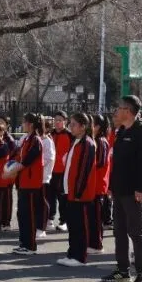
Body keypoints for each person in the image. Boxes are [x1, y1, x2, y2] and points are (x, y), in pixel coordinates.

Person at [102, 96, 142, 282]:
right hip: (119, 190)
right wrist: (111, 186)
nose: (116, 111)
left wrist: (141, 188)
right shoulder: (122, 131)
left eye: (120, 108)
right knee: (119, 231)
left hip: (133, 192)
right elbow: (117, 163)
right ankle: (123, 270)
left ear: (129, 111)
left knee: (137, 232)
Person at [57, 113, 97, 267]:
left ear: (83, 126)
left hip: (80, 194)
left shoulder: (88, 144)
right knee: (73, 225)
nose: (70, 127)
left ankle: (80, 257)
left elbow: (84, 171)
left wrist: (79, 191)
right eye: (71, 124)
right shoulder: (76, 141)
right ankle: (72, 253)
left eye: (73, 124)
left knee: (80, 226)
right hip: (71, 191)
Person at [3, 113, 45, 255]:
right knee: (22, 214)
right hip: (22, 183)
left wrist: (11, 172)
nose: (22, 124)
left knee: (30, 215)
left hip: (32, 184)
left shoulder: (36, 140)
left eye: (24, 122)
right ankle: (23, 243)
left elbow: (27, 161)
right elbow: (19, 158)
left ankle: (31, 246)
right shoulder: (26, 140)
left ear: (31, 124)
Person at [49, 112, 74, 232]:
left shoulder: (70, 135)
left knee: (63, 197)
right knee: (50, 196)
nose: (57, 122)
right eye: (56, 119)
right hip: (50, 170)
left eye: (60, 120)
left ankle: (64, 220)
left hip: (63, 172)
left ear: (65, 121)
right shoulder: (50, 134)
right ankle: (49, 218)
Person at [89, 113, 110, 253]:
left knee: (96, 217)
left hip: (98, 185)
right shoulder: (95, 140)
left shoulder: (101, 141)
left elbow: (101, 162)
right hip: (93, 185)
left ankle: (97, 244)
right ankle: (92, 242)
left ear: (97, 126)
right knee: (92, 217)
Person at [38, 117, 55, 238]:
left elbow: (49, 158)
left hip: (43, 177)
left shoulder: (48, 141)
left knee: (42, 202)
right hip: (33, 178)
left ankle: (42, 227)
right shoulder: (32, 139)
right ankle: (37, 225)